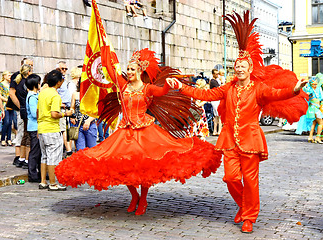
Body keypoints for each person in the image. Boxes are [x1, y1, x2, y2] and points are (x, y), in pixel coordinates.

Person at [166, 11, 308, 233]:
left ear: (250, 69)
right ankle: (244, 205)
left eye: (243, 66)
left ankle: (249, 216)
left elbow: (278, 94)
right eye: (237, 65)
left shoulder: (259, 89)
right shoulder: (227, 88)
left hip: (250, 139)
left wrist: (295, 89)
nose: (239, 68)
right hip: (230, 138)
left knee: (251, 180)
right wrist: (180, 87)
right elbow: (205, 95)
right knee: (230, 177)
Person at [55, 48, 222, 216]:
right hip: (125, 133)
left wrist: (170, 84)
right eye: (127, 69)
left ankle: (143, 199)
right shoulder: (123, 85)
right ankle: (135, 195)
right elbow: (110, 70)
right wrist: (104, 47)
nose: (128, 72)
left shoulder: (147, 89)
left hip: (145, 133)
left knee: (145, 168)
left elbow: (162, 91)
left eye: (132, 69)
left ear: (140, 71)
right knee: (121, 166)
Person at [37, 70, 73, 191]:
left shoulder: (43, 92)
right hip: (51, 128)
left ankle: (43, 181)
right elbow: (54, 114)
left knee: (44, 156)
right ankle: (53, 183)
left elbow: (38, 111)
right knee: (53, 157)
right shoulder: (55, 95)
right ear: (59, 82)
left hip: (42, 127)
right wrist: (65, 114)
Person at [9, 58, 33, 167]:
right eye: (29, 66)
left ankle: (21, 158)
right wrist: (21, 107)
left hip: (23, 110)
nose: (32, 67)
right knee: (25, 134)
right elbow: (12, 93)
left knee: (24, 134)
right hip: (23, 110)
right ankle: (21, 158)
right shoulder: (20, 79)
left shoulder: (23, 80)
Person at [69, 78, 97, 151]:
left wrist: (88, 120)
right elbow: (72, 108)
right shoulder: (75, 94)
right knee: (80, 150)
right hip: (78, 126)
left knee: (91, 151)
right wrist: (72, 116)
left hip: (90, 125)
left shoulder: (94, 94)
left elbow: (97, 111)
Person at [26, 74, 42, 182]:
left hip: (38, 126)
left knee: (40, 151)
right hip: (34, 127)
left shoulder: (36, 95)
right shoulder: (32, 97)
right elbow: (34, 113)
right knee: (35, 151)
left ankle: (40, 172)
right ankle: (32, 174)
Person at [56, 61, 73, 157]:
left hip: (66, 107)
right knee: (63, 130)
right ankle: (68, 150)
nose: (64, 70)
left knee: (66, 129)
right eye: (62, 68)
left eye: (66, 69)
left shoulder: (64, 79)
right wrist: (59, 103)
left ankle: (66, 149)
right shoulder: (58, 80)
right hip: (61, 108)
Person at [0, 71, 14, 147]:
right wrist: (6, 100)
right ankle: (2, 139)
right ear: (4, 76)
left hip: (11, 105)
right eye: (8, 75)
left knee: (10, 123)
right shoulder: (1, 84)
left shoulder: (11, 84)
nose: (10, 77)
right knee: (6, 122)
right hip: (5, 105)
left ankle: (9, 138)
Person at [209, 68, 222, 135]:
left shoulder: (212, 81)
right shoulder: (214, 81)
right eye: (216, 74)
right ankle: (219, 130)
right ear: (213, 74)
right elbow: (219, 89)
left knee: (216, 116)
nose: (218, 75)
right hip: (216, 100)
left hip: (214, 100)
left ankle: (214, 131)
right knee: (219, 116)